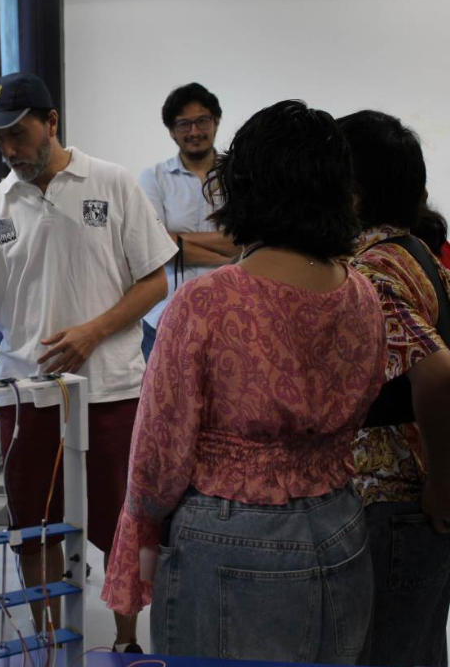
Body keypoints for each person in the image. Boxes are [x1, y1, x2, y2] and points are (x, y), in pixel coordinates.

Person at [103, 100, 387, 663]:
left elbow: (158, 462)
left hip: (231, 537)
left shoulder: (206, 303)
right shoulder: (362, 294)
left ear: (244, 187)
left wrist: (137, 541)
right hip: (340, 523)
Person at [0, 72, 176, 653]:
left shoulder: (113, 184)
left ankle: (127, 638)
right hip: (29, 397)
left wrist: (94, 331)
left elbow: (155, 282)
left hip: (114, 390)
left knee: (127, 527)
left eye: (18, 135)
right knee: (32, 530)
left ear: (52, 122)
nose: (10, 151)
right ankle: (42, 644)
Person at [338, 110, 450, 667]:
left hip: (393, 503)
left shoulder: (370, 272)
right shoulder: (415, 252)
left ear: (353, 193)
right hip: (412, 503)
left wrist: (442, 485)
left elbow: (438, 369)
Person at [138, 83, 238, 360]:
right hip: (165, 315)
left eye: (202, 121)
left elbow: (241, 238)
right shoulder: (153, 178)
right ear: (171, 131)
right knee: (163, 401)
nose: (194, 132)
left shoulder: (238, 177)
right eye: (184, 124)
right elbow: (156, 245)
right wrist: (225, 260)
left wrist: (176, 238)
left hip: (229, 313)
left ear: (216, 122)